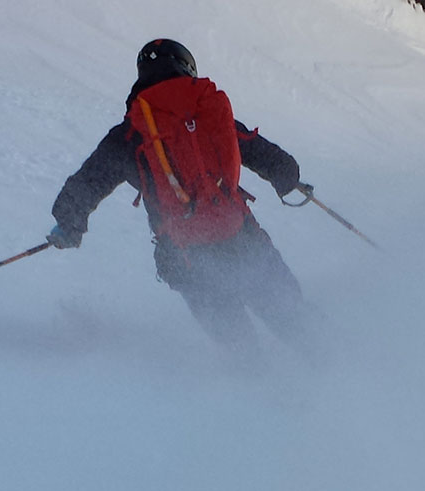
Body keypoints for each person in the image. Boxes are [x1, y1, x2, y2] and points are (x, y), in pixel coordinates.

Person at [49, 39, 312, 353]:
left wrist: (69, 225)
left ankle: (263, 393)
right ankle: (342, 379)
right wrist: (287, 177)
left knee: (239, 346)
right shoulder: (210, 111)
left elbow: (88, 182)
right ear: (186, 66)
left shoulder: (132, 132)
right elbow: (264, 153)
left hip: (184, 257)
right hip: (241, 238)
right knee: (297, 322)